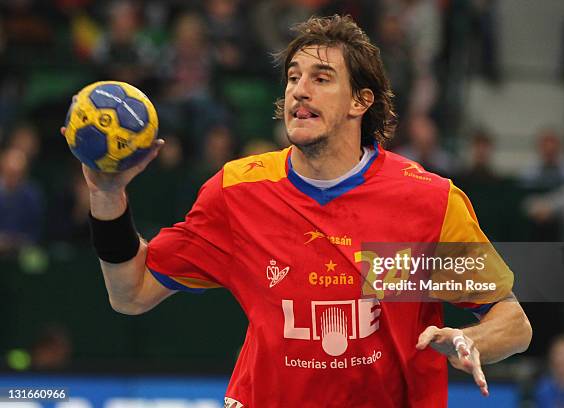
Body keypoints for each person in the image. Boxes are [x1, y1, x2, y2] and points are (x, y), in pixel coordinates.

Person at [64, 15, 531, 407]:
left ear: (359, 102)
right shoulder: (237, 191)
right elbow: (131, 293)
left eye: (321, 79)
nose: (299, 91)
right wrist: (107, 197)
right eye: (292, 78)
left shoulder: (427, 200)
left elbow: (513, 322)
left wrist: (473, 342)